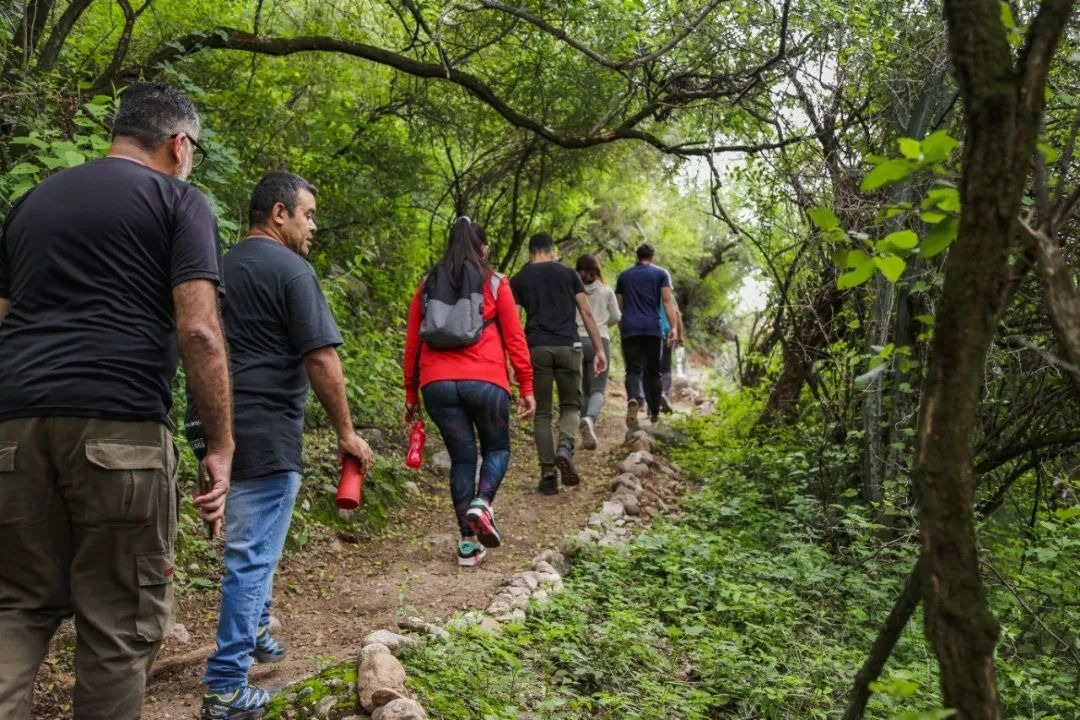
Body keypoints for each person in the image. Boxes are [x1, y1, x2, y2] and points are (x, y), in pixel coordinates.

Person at [0, 81, 232, 720]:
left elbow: (3, 320)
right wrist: (220, 445)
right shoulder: (179, 201)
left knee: (16, 606)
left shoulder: (31, 203)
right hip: (119, 426)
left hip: (14, 429)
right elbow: (199, 330)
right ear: (179, 144)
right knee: (117, 621)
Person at [198, 172, 374, 719]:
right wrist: (346, 432)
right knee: (251, 557)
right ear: (279, 213)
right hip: (266, 427)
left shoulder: (216, 267)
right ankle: (226, 686)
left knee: (256, 544)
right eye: (308, 214)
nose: (313, 225)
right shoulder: (292, 271)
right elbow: (321, 357)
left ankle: (255, 631)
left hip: (214, 426)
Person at [403, 217, 535, 566]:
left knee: (462, 458)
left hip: (438, 385)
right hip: (486, 382)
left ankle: (467, 544)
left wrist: (411, 394)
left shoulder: (427, 283)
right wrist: (526, 384)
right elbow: (515, 337)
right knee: (497, 448)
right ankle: (483, 503)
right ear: (484, 248)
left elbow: (413, 343)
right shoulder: (494, 283)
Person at [510, 233, 607, 495]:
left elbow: (513, 323)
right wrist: (599, 349)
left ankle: (549, 475)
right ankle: (565, 448)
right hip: (569, 346)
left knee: (541, 412)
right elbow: (586, 312)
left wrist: (513, 362)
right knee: (571, 405)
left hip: (536, 348)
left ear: (530, 253)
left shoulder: (519, 279)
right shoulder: (567, 274)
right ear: (552, 251)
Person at [615, 243, 680, 426]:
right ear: (653, 258)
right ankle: (654, 413)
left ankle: (633, 399)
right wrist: (674, 327)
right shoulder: (661, 274)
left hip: (630, 328)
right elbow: (667, 301)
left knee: (633, 369)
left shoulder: (624, 276)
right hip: (652, 328)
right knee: (654, 372)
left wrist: (624, 327)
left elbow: (620, 306)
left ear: (637, 257)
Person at [574, 254, 621, 450]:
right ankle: (589, 419)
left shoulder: (572, 290)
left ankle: (584, 425)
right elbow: (617, 316)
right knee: (598, 389)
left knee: (584, 389)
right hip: (599, 340)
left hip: (575, 340)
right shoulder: (606, 290)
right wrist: (602, 325)